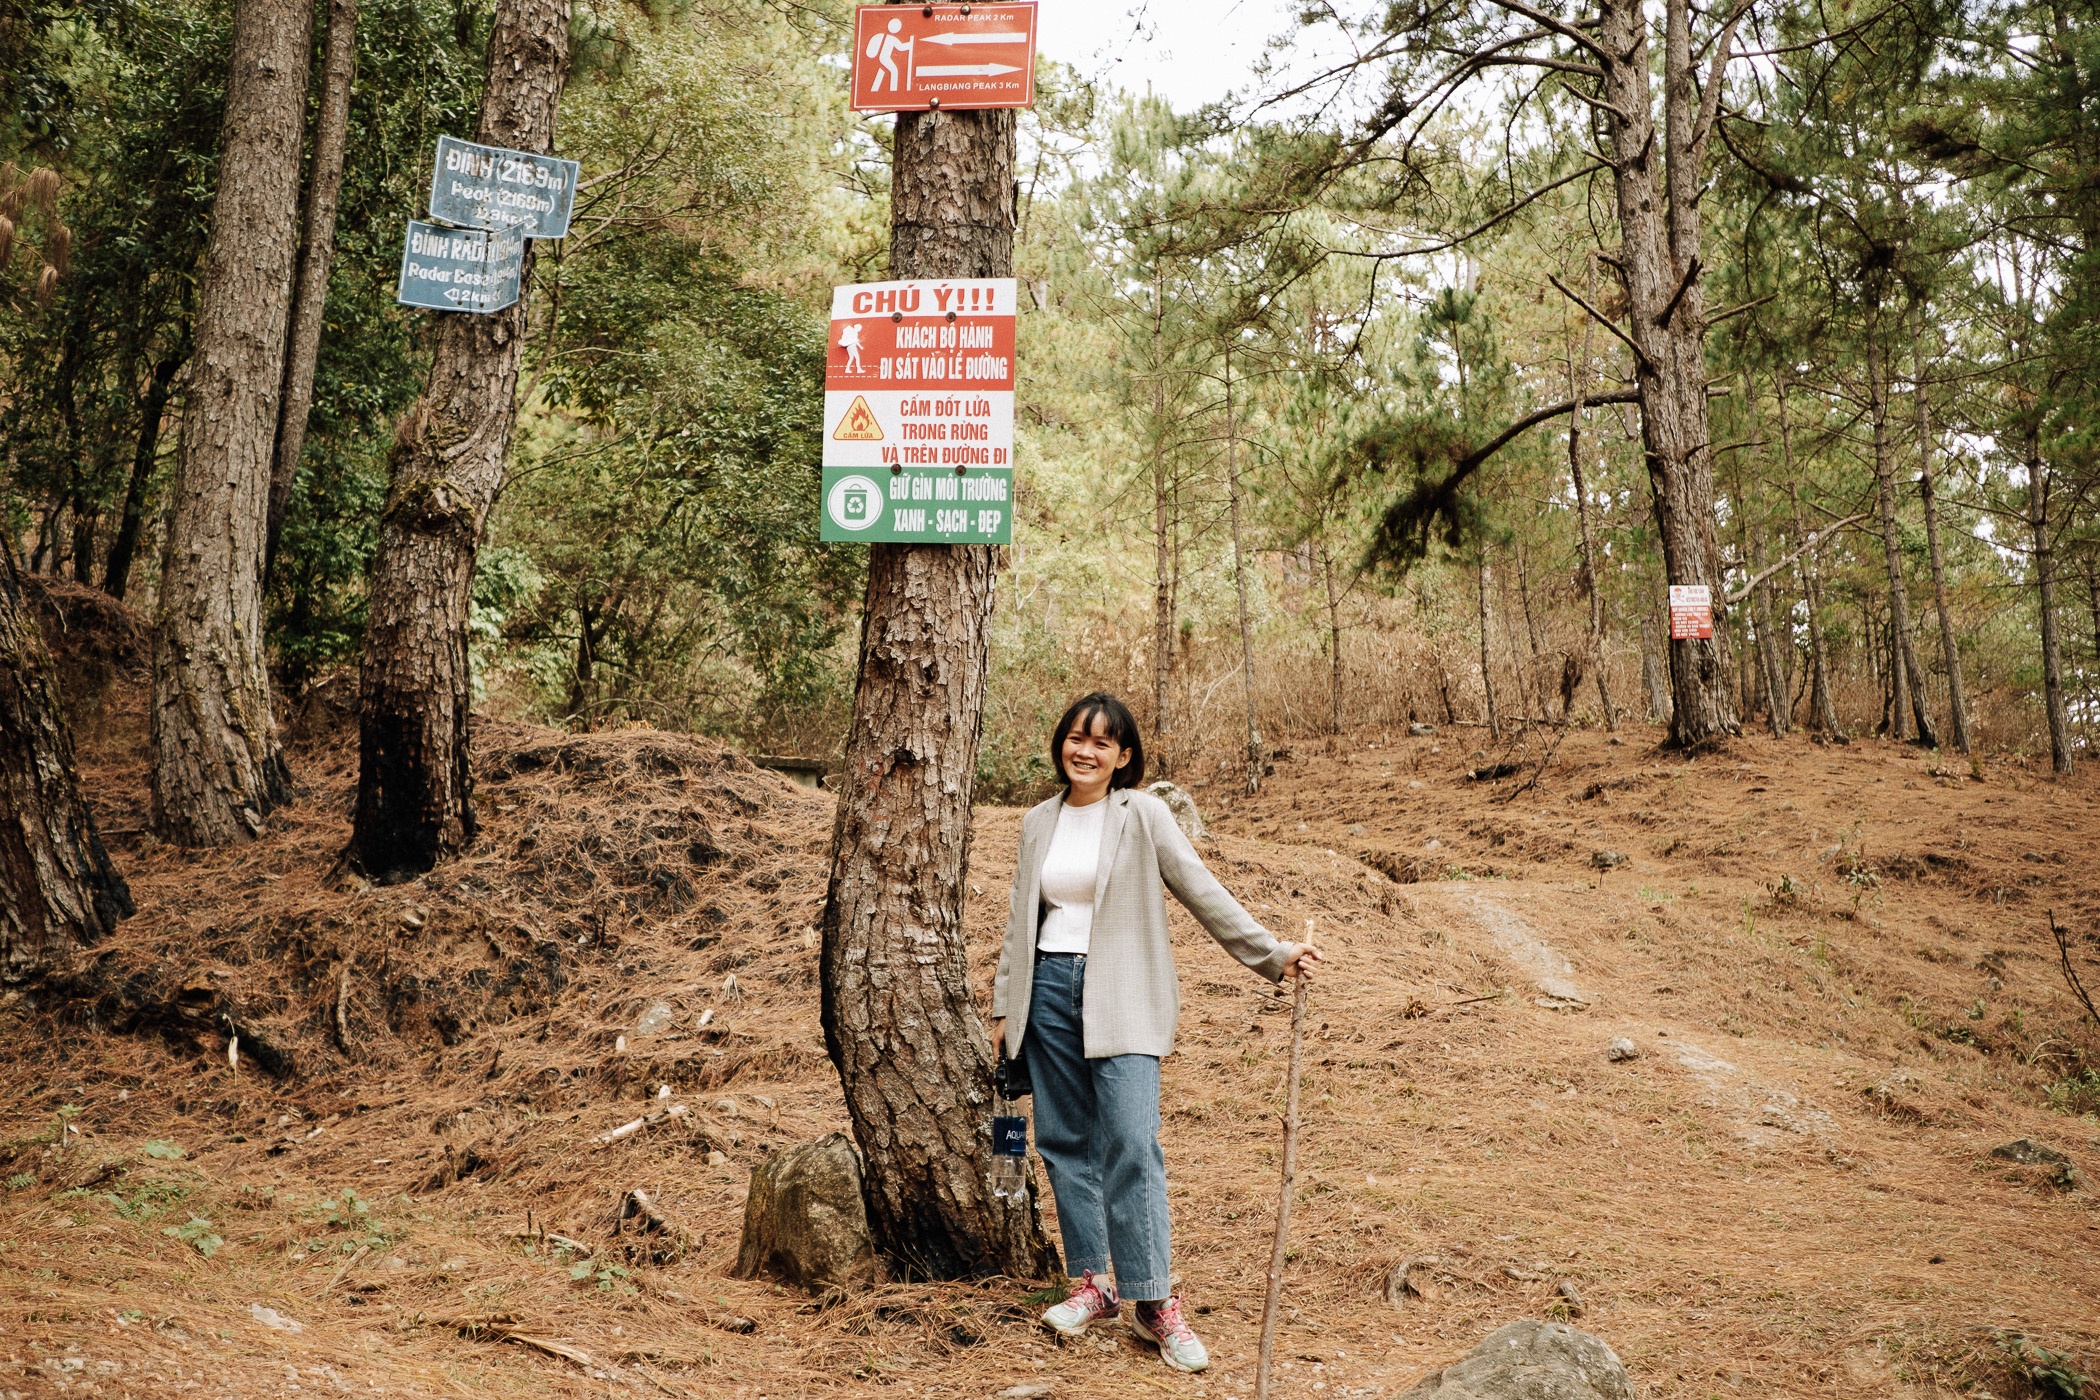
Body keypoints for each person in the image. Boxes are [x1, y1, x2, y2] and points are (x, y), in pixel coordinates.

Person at [990, 692, 1322, 1374]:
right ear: (1061, 745)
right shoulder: (1036, 822)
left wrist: (1271, 952)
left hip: (1126, 993)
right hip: (1047, 990)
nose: (1085, 751)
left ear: (1124, 756)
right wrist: (1004, 1007)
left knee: (1133, 1142)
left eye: (1102, 743)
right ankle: (1092, 1284)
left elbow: (1199, 887)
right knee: (1062, 1142)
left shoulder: (1141, 814)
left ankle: (1153, 1301)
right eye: (1076, 738)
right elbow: (1020, 921)